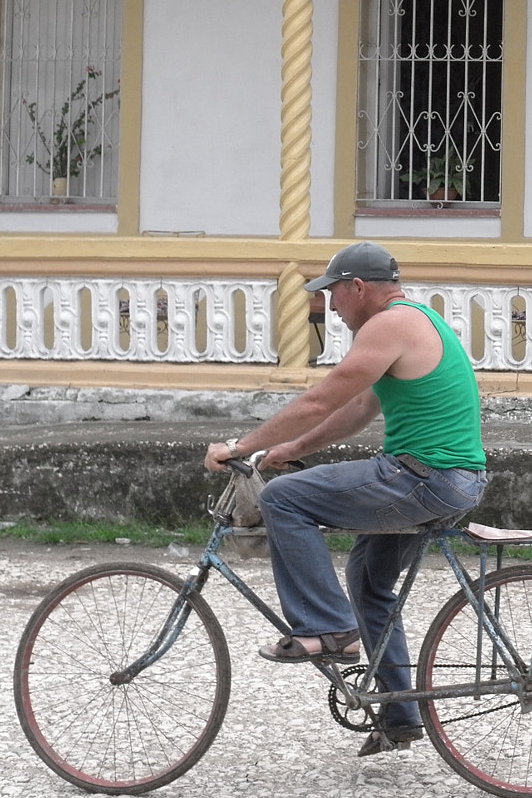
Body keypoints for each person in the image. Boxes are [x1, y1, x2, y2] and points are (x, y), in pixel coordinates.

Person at [203, 240, 487, 755]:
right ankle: (399, 714)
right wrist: (289, 447)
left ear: (357, 287)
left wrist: (241, 446)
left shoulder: (389, 325)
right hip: (450, 479)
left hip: (423, 475)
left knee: (285, 499)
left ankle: (328, 629)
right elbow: (357, 408)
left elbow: (319, 398)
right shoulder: (414, 322)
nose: (331, 308)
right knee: (368, 580)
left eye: (333, 294)